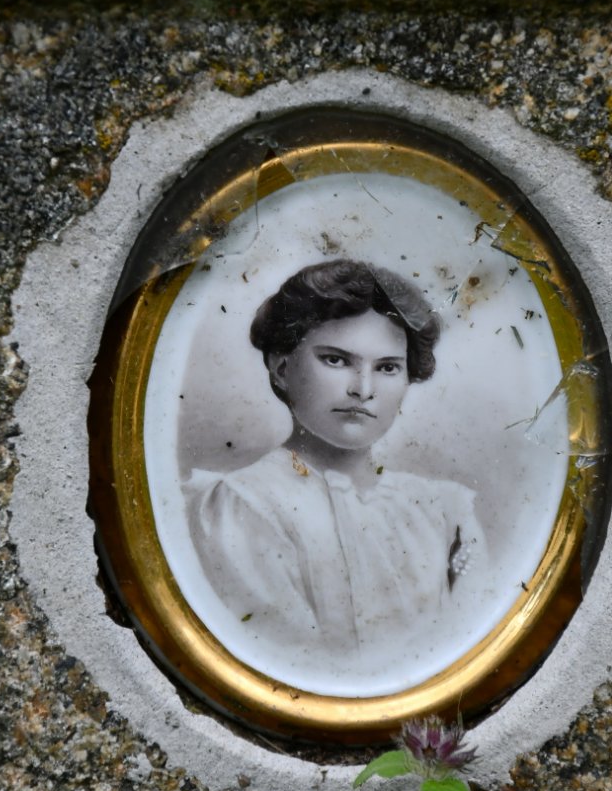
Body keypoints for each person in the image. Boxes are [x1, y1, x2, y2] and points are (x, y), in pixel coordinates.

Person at [185, 259, 488, 662]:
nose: (363, 389)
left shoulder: (445, 513)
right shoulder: (244, 504)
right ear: (282, 367)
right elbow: (288, 659)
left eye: (387, 368)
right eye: (336, 360)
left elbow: (471, 648)